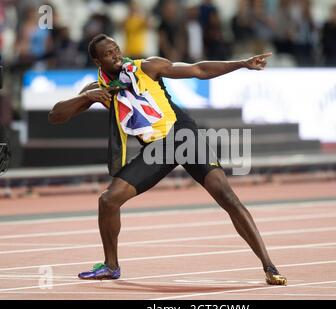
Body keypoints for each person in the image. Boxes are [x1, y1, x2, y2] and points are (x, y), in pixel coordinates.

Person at [48, 34, 287, 286]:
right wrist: (87, 97)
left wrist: (241, 64)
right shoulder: (98, 89)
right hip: (157, 149)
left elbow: (199, 69)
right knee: (108, 201)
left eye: (117, 49)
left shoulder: (147, 66)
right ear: (97, 61)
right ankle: (111, 266)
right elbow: (56, 116)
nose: (116, 55)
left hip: (183, 136)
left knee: (227, 196)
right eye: (108, 53)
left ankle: (269, 265)